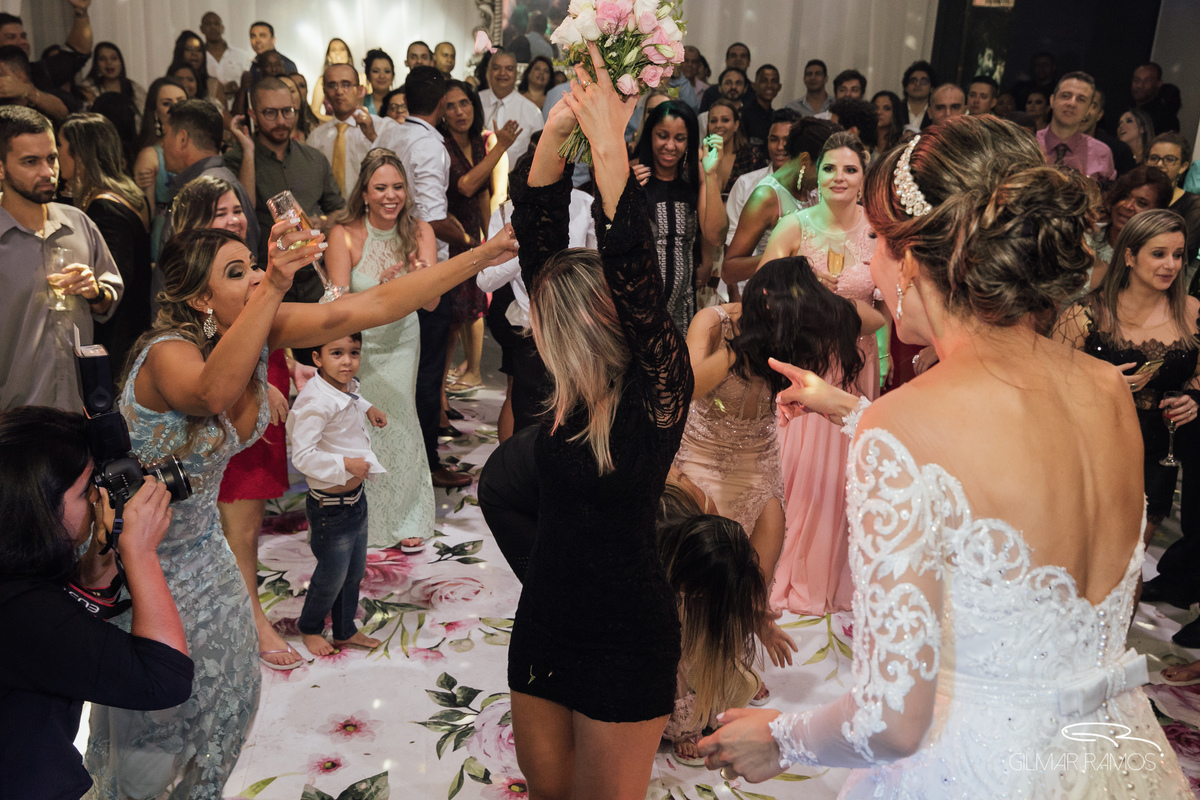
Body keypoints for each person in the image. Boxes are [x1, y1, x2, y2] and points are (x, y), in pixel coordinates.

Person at [696, 114, 1193, 799]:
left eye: (876, 243)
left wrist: (777, 737)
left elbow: (891, 722)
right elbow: (1015, 488)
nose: (868, 264)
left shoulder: (904, 427)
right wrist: (843, 407)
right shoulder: (1106, 388)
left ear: (917, 258)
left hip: (978, 768)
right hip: (1113, 755)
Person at [84, 189, 517, 799]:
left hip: (207, 557)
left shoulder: (259, 321)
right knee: (159, 724)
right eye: (238, 273)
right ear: (200, 299)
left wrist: (483, 254)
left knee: (227, 707)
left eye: (254, 265)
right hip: (147, 563)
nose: (258, 278)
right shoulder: (165, 354)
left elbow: (372, 306)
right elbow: (211, 394)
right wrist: (274, 287)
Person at [505, 42, 692, 800]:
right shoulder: (568, 384)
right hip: (544, 620)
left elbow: (635, 268)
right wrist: (558, 132)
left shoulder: (660, 388)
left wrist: (614, 150)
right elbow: (538, 229)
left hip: (626, 636)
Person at [673, 256, 865, 661]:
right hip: (702, 453)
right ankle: (687, 653)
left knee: (764, 541)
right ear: (765, 299)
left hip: (755, 455)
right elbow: (684, 389)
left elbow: (861, 322)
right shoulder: (712, 323)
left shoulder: (787, 331)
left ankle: (739, 638)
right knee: (698, 566)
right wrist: (740, 346)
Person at [0, 406, 194, 800]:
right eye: (86, 490)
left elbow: (69, 617)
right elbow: (164, 680)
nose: (97, 499)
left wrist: (103, 551)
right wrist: (139, 553)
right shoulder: (21, 611)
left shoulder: (18, 572)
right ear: (37, 506)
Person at [168, 173, 301, 671]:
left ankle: (238, 611)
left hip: (261, 381)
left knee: (251, 518)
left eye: (237, 210)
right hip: (232, 401)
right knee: (237, 525)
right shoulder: (201, 281)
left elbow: (271, 320)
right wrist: (256, 385)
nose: (233, 220)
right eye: (220, 213)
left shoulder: (243, 268)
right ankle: (249, 622)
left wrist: (287, 365)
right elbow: (207, 344)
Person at [1055, 209, 1200, 638]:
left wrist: (1194, 399)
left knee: (1131, 558)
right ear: (1130, 256)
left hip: (1156, 454)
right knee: (1081, 555)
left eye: (1178, 254)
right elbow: (1045, 382)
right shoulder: (1085, 315)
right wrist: (1100, 381)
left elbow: (1197, 372)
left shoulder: (1191, 311)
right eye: (1159, 254)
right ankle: (1064, 648)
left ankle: (1110, 652)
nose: (1171, 265)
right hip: (1091, 450)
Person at [759, 132, 885, 614]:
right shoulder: (793, 226)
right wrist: (803, 294)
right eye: (831, 168)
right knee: (793, 466)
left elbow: (887, 311)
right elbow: (764, 295)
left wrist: (840, 310)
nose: (839, 177)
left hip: (854, 364)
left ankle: (827, 573)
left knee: (842, 471)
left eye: (850, 169)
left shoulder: (877, 233)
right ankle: (778, 565)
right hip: (805, 360)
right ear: (816, 172)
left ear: (863, 178)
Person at [325, 148, 439, 546]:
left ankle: (408, 516)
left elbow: (431, 303)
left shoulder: (421, 231)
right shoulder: (343, 234)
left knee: (400, 420)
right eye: (381, 188)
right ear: (365, 193)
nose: (391, 196)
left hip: (403, 339)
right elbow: (336, 305)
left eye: (398, 187)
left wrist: (419, 280)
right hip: (362, 347)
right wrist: (384, 288)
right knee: (359, 427)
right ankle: (366, 516)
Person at [0, 106, 122, 413]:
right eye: (30, 162)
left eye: (52, 158)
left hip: (79, 413)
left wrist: (95, 292)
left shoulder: (78, 223)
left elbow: (108, 301)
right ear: (1, 167)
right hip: (13, 422)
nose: (47, 172)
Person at [390, 65, 476, 489]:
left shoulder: (391, 134)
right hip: (424, 270)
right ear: (442, 104)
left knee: (397, 369)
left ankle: (401, 455)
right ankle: (425, 462)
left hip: (387, 263)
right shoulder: (431, 146)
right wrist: (471, 240)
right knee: (426, 372)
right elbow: (431, 216)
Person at [288, 332, 386, 656]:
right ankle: (310, 626)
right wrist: (346, 464)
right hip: (330, 508)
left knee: (354, 573)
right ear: (317, 358)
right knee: (331, 576)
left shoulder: (344, 386)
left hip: (356, 501)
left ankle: (344, 630)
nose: (347, 361)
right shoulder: (315, 402)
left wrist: (369, 408)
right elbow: (302, 456)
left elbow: (353, 398)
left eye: (354, 352)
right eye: (337, 353)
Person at [657, 511, 768, 766]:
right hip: (668, 637)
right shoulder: (666, 598)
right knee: (680, 663)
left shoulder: (718, 539)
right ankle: (684, 724)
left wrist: (759, 622)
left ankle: (728, 678)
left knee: (723, 668)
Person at [225, 77, 346, 295]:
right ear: (253, 115)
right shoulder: (237, 160)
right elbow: (244, 208)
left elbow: (340, 210)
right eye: (270, 113)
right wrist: (249, 152)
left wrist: (325, 222)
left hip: (314, 279)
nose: (281, 121)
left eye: (287, 111)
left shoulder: (314, 159)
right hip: (266, 282)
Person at [441, 80, 519, 395]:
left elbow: (485, 193)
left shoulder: (477, 141)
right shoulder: (441, 145)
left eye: (465, 103)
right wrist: (500, 146)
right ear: (441, 112)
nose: (460, 111)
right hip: (448, 236)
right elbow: (466, 185)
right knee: (450, 318)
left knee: (472, 307)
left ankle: (471, 372)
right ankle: (441, 390)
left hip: (474, 236)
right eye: (451, 105)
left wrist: (489, 239)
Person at [58, 113, 152, 370]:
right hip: (132, 330)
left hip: (118, 340)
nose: (54, 155)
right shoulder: (130, 194)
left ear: (80, 155)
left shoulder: (105, 208)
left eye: (59, 145)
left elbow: (115, 282)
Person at [631, 100, 726, 335]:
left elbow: (716, 235)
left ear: (690, 141)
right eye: (662, 136)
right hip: (635, 312)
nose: (670, 146)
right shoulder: (633, 175)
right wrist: (624, 193)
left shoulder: (696, 181)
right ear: (650, 135)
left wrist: (710, 174)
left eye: (680, 138)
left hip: (682, 313)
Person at [723, 117, 841, 287]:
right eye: (827, 168)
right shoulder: (766, 196)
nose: (830, 178)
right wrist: (785, 255)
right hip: (776, 298)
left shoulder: (812, 192)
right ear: (805, 160)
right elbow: (730, 271)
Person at [159, 99, 259, 254]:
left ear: (182, 139)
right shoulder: (223, 179)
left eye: (165, 134)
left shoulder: (202, 190)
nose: (162, 144)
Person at [308, 62, 403, 199]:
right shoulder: (316, 137)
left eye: (346, 85)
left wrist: (372, 136)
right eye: (332, 86)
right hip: (330, 214)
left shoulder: (384, 127)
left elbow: (400, 167)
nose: (339, 92)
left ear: (360, 90)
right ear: (325, 92)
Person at [0, 2, 91, 122]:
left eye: (23, 36)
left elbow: (78, 52)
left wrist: (80, 12)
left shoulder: (41, 71)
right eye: (11, 37)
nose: (21, 41)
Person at [132, 77, 187, 261]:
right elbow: (145, 220)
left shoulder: (198, 146)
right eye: (167, 103)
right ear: (155, 112)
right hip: (167, 236)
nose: (175, 108)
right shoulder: (150, 155)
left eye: (181, 102)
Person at [1037, 71, 1116, 184]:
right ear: (1052, 100)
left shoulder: (1102, 153)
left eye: (1081, 99)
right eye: (1065, 96)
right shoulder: (1029, 144)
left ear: (1088, 109)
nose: (1072, 103)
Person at [1088, 165, 1173, 267]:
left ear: (1156, 214)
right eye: (1124, 196)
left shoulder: (1153, 261)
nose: (1128, 206)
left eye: (1141, 203)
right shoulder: (1087, 236)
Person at [479, 50, 544, 174]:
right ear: (489, 71)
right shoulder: (475, 102)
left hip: (516, 183)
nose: (502, 73)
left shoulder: (532, 111)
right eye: (496, 68)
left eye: (509, 68)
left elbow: (540, 155)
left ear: (516, 73)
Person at [1148, 132, 1200, 270]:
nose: (1159, 164)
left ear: (1183, 166)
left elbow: (1186, 251)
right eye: (1154, 158)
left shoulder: (1193, 204)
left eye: (1169, 159)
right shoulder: (1134, 194)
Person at [705, 98, 766, 203]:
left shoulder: (752, 156)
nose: (718, 125)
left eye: (725, 120)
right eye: (713, 121)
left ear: (736, 125)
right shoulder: (702, 158)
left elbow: (764, 196)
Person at [79, 42, 145, 121]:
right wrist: (89, 103)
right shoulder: (87, 89)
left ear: (120, 62)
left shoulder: (135, 89)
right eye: (102, 59)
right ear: (96, 64)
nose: (109, 63)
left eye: (113, 58)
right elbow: (81, 113)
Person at [1082, 86, 1136, 176]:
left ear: (1100, 114)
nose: (1085, 112)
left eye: (1092, 106)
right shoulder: (1055, 143)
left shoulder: (1118, 151)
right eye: (1082, 103)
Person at [170, 31, 226, 112]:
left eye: (198, 50)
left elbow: (223, 117)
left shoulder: (212, 85)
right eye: (188, 49)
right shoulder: (169, 82)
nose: (194, 54)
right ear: (180, 52)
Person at [200, 12, 251, 101]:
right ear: (202, 29)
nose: (212, 27)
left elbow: (249, 85)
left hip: (239, 109)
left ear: (222, 28)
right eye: (208, 24)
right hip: (207, 110)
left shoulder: (241, 55)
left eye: (216, 23)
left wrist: (238, 88)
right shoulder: (199, 58)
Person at [309, 38, 363, 121]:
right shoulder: (321, 81)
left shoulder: (362, 77)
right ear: (329, 57)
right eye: (334, 50)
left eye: (342, 49)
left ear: (348, 54)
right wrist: (336, 121)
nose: (338, 53)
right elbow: (314, 111)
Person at [699, 42, 751, 112]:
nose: (738, 59)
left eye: (743, 56)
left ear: (749, 62)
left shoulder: (756, 92)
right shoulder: (711, 92)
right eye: (733, 55)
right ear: (726, 61)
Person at [1132, 62, 1180, 135]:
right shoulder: (1125, 108)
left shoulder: (1166, 119)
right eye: (1136, 80)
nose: (1140, 85)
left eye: (1147, 80)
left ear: (1159, 83)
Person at [741, 65, 781, 148]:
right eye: (764, 81)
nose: (769, 85)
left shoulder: (777, 117)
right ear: (754, 85)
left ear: (779, 87)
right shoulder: (743, 114)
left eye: (774, 81)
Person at [900, 60, 937, 131]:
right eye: (913, 81)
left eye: (923, 81)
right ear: (906, 87)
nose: (917, 84)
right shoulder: (896, 109)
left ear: (931, 88)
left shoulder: (935, 112)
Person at [362, 48, 395, 116]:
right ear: (368, 75)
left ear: (393, 76)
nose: (382, 76)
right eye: (376, 71)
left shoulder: (402, 101)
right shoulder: (361, 103)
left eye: (387, 71)